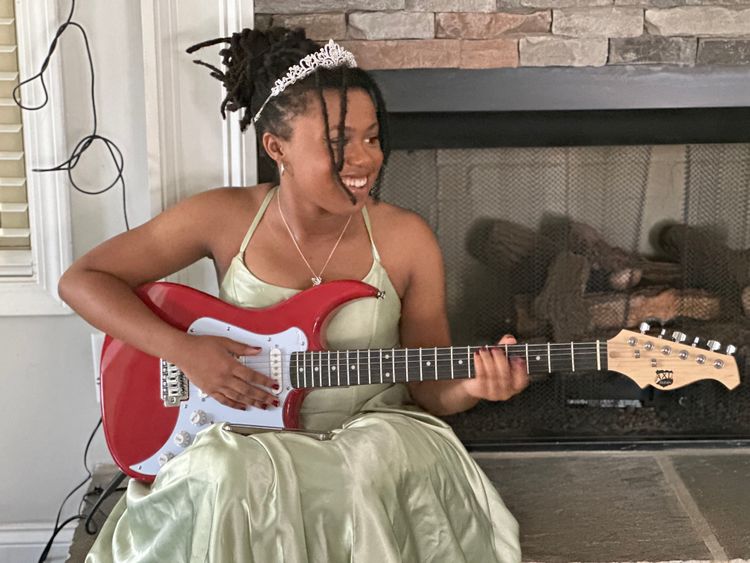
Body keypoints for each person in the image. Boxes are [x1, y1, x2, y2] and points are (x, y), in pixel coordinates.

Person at [59, 27, 529, 563]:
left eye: (372, 138)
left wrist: (472, 387)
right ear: (275, 147)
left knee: (368, 465)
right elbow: (83, 280)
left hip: (372, 433)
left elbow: (430, 388)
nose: (364, 159)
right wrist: (183, 350)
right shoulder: (222, 216)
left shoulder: (406, 238)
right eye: (338, 141)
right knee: (227, 473)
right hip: (249, 435)